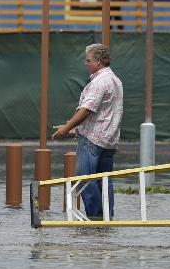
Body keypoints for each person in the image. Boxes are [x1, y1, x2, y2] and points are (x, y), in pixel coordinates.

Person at [51, 43, 123, 217]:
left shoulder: (99, 82)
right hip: (109, 140)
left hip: (92, 140)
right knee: (104, 181)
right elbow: (103, 114)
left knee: (85, 179)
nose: (86, 63)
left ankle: (95, 218)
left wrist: (67, 127)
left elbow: (87, 109)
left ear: (98, 61)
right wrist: (73, 130)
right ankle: (107, 218)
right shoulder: (116, 80)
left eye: (88, 60)